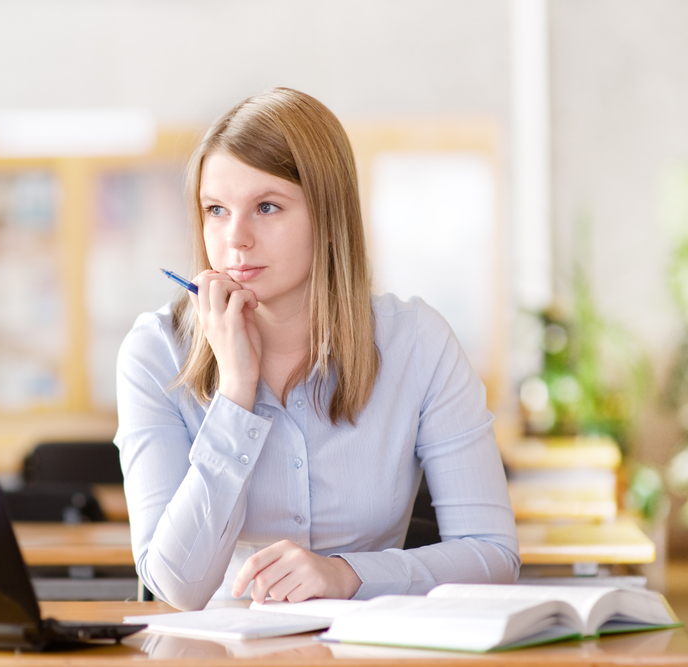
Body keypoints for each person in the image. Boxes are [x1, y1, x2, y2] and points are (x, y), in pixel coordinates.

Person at [115, 88, 519, 612]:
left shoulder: (417, 342)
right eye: (216, 209)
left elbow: (492, 556)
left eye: (266, 207)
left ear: (328, 216)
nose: (235, 238)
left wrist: (347, 574)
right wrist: (235, 393)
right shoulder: (155, 352)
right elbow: (178, 586)